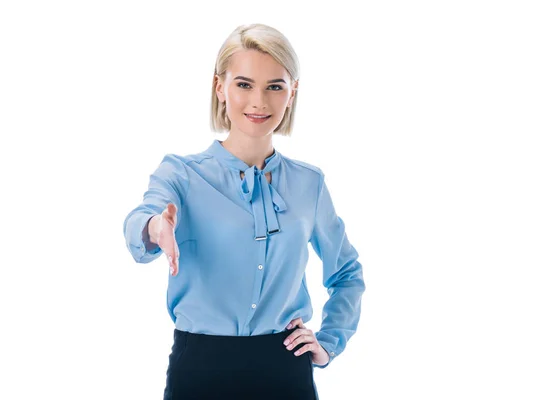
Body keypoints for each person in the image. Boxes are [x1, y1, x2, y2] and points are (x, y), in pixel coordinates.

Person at [122, 23, 366, 400]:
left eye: (275, 86)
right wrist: (157, 228)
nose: (260, 102)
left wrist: (330, 342)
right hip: (199, 370)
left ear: (292, 92)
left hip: (285, 370)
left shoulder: (310, 184)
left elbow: (347, 273)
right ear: (220, 87)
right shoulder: (181, 174)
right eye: (244, 84)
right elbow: (143, 217)